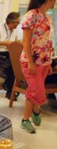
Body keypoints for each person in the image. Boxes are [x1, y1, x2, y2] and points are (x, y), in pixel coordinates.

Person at [20, 0, 56, 133]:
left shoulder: (48, 17)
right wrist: (30, 61)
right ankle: (36, 109)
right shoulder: (31, 15)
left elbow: (48, 42)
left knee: (32, 91)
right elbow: (26, 41)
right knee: (37, 91)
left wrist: (50, 62)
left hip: (45, 61)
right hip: (31, 61)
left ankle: (25, 120)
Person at [0, 12, 21, 100]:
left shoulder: (15, 30)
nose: (18, 25)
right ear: (11, 22)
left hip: (11, 53)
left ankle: (9, 87)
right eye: (17, 23)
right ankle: (9, 89)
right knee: (12, 67)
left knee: (18, 67)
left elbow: (18, 41)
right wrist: (3, 43)